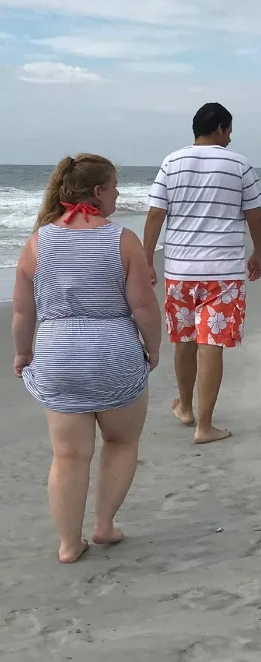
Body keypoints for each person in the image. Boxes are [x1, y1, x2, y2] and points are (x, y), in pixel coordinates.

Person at [12, 154, 162, 564]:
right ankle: (104, 525)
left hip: (58, 354)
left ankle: (68, 543)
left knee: (67, 455)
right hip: (114, 351)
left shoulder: (39, 240)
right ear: (98, 192)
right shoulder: (122, 239)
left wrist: (24, 353)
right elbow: (144, 306)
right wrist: (154, 346)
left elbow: (24, 311)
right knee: (121, 440)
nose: (118, 195)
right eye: (114, 187)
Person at [144, 103, 261, 444]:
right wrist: (259, 252)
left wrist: (145, 259)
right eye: (228, 130)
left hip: (180, 270)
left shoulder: (171, 162)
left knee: (183, 341)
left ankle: (185, 407)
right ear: (220, 128)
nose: (230, 137)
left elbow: (156, 214)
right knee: (211, 345)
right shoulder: (239, 163)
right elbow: (254, 214)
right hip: (223, 272)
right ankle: (205, 425)